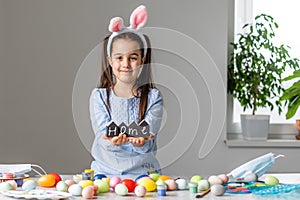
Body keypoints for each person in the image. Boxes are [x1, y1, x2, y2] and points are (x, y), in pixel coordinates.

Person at [89, 5, 163, 176]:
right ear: (110, 60)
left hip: (144, 172)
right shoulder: (99, 96)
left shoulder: (153, 98)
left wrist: (140, 142)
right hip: (105, 172)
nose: (126, 64)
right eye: (119, 58)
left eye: (133, 58)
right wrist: (112, 141)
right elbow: (102, 134)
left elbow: (148, 132)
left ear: (142, 60)